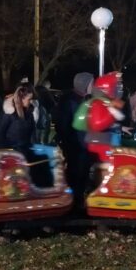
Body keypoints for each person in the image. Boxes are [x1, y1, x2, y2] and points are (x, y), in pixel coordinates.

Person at [54, 72, 94, 202]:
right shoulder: (70, 101)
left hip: (83, 146)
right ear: (84, 84)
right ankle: (74, 203)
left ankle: (78, 200)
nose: (93, 86)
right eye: (91, 83)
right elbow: (63, 125)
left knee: (82, 176)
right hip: (76, 147)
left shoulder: (83, 99)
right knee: (76, 176)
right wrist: (69, 143)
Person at [0, 84, 36, 154]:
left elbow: (32, 134)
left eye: (32, 99)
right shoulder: (9, 112)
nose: (31, 102)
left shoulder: (29, 113)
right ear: (21, 98)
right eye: (29, 99)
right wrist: (5, 153)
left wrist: (33, 149)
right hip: (11, 154)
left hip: (26, 153)